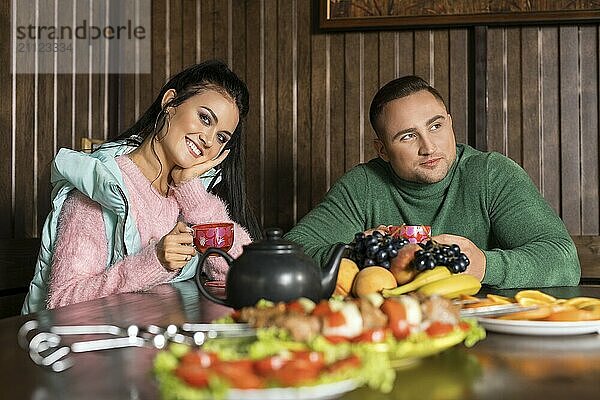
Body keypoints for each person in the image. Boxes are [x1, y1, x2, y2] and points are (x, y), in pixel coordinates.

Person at [284, 75, 580, 288]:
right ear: (382, 150)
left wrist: (484, 266)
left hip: (486, 332)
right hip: (389, 332)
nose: (429, 147)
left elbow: (563, 260)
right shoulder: (363, 185)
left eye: (436, 126)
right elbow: (293, 250)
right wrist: (355, 252)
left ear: (450, 123)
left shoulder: (491, 173)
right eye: (408, 136)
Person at [22, 60, 261, 314]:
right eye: (204, 118)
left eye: (222, 137)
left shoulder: (188, 195)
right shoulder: (102, 187)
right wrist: (155, 260)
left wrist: (191, 191)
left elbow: (243, 274)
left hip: (149, 340)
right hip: (77, 348)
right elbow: (62, 302)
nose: (209, 140)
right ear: (170, 103)